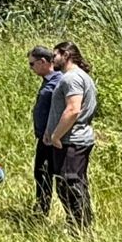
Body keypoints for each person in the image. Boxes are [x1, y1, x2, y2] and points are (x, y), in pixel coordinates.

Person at [44, 40, 98, 232]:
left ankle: (79, 229)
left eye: (55, 55)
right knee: (74, 184)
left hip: (71, 140)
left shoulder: (71, 78)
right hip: (73, 139)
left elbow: (73, 109)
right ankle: (80, 225)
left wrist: (56, 136)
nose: (52, 59)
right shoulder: (79, 77)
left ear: (65, 55)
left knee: (70, 185)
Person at [27, 45, 63, 216]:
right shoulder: (48, 81)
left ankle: (47, 210)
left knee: (54, 175)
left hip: (53, 137)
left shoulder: (59, 81)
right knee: (41, 173)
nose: (31, 68)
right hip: (44, 137)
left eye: (32, 64)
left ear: (43, 62)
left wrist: (53, 133)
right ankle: (41, 208)